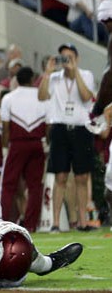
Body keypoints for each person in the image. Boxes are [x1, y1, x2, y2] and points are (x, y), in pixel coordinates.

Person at [38, 44, 96, 232]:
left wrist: (75, 71)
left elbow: (86, 96)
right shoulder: (54, 77)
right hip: (60, 129)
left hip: (81, 129)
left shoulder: (86, 75)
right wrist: (47, 72)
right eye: (63, 57)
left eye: (69, 57)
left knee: (81, 176)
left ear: (77, 58)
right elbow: (41, 96)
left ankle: (82, 221)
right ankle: (55, 223)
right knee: (60, 176)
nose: (66, 61)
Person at [0, 67, 47, 232]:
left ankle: (2, 222)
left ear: (17, 80)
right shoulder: (42, 98)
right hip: (36, 144)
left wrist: (5, 147)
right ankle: (31, 225)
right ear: (33, 80)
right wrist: (45, 143)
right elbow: (47, 126)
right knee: (35, 186)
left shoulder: (8, 98)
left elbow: (6, 128)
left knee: (8, 184)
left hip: (17, 144)